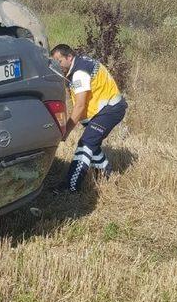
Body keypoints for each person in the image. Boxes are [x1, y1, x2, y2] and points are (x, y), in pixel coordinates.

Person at [50, 44, 127, 192]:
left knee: (85, 143)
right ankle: (107, 175)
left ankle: (71, 186)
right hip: (105, 110)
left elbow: (79, 106)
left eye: (59, 61)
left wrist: (66, 132)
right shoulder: (79, 64)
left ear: (69, 57)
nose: (57, 65)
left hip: (110, 110)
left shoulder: (79, 72)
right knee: (93, 143)